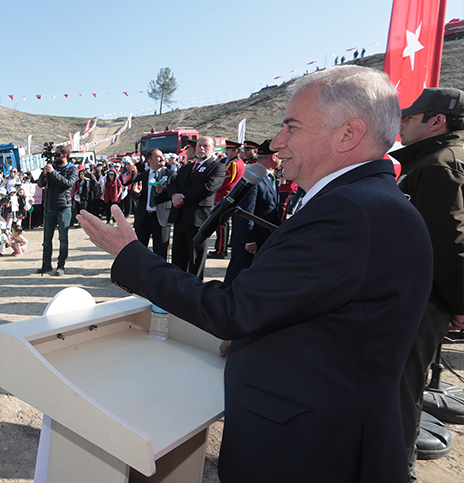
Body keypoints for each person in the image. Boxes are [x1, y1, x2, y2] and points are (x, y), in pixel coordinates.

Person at [77, 65, 434, 483]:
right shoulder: (365, 201)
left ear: (348, 134)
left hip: (309, 451)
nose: (277, 143)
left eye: (291, 127)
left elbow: (232, 310)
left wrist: (130, 255)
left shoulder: (350, 212)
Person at [391, 87, 464, 481]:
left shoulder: (440, 164)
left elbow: (450, 243)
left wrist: (459, 303)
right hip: (418, 297)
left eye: (410, 116)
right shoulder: (436, 159)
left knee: (400, 396)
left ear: (437, 121)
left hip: (421, 301)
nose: (401, 123)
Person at [155, 136, 226, 279]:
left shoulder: (217, 167)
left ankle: (195, 288)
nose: (201, 148)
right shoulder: (186, 167)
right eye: (199, 145)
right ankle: (178, 286)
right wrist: (174, 195)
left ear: (213, 149)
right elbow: (173, 183)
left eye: (206, 146)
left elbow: (208, 188)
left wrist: (182, 199)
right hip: (180, 217)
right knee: (178, 258)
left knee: (195, 259)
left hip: (198, 219)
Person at [222, 140, 281, 286]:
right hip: (249, 240)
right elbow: (245, 212)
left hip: (262, 237)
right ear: (274, 157)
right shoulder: (254, 178)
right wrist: (249, 240)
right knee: (237, 275)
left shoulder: (269, 177)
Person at [36, 145, 78, 276]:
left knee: (63, 239)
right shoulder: (51, 168)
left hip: (64, 208)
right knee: (47, 238)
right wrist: (44, 174)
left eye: (57, 154)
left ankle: (61, 265)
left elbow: (67, 184)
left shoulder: (72, 169)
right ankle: (46, 264)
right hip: (49, 208)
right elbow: (40, 184)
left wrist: (53, 172)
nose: (55, 157)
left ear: (64, 156)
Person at [131, 149, 173, 260]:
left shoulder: (170, 174)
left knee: (161, 252)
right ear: (150, 160)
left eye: (162, 155)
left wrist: (163, 191)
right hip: (143, 218)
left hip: (161, 219)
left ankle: (159, 271)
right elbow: (134, 196)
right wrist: (136, 193)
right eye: (158, 156)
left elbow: (173, 194)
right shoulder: (141, 177)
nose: (162, 158)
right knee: (139, 251)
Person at [209, 140, 246, 259]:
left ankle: (220, 250)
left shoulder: (233, 164)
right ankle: (221, 249)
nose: (226, 152)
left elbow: (226, 181)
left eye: (228, 150)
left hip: (224, 195)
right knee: (222, 223)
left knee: (221, 223)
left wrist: (214, 187)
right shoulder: (236, 162)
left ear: (235, 151)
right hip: (227, 195)